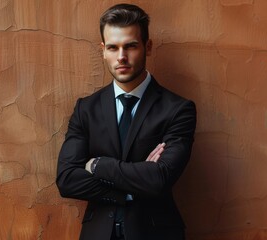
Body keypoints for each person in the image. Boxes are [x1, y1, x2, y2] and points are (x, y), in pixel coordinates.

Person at [56, 3, 197, 240]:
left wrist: (97, 165)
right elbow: (67, 180)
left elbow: (159, 179)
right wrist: (131, 190)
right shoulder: (86, 109)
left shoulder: (178, 109)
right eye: (113, 47)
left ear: (147, 47)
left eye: (130, 46)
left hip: (155, 233)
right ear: (102, 50)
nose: (121, 57)